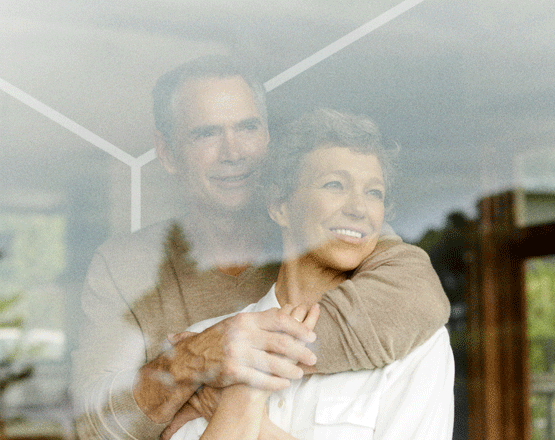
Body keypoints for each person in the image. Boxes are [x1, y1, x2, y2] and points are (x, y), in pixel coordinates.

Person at [72, 55, 450, 439]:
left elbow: (420, 298)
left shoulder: (334, 233)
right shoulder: (131, 270)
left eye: (248, 128)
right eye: (206, 134)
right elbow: (92, 423)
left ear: (268, 138)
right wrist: (189, 363)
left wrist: (245, 370)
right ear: (166, 152)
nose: (233, 151)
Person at [169, 108, 454, 440]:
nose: (359, 208)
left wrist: (241, 406)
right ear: (280, 207)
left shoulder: (416, 348)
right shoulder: (205, 344)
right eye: (335, 185)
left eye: (373, 192)